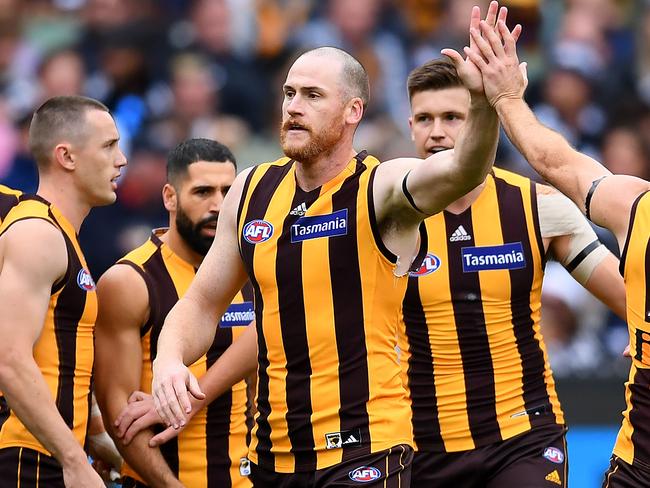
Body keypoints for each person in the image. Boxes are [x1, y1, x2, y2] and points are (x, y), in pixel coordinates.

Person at [150, 4, 517, 486]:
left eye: (312, 95)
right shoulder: (250, 189)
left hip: (366, 449)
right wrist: (169, 359)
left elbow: (462, 169)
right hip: (274, 455)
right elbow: (201, 302)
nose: (293, 106)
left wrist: (487, 101)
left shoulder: (380, 187)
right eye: (288, 93)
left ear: (352, 111)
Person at [399, 58, 626, 488]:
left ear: (483, 122)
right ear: (410, 126)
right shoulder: (387, 217)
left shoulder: (537, 207)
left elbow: (628, 295)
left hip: (523, 437)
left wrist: (642, 330)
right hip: (422, 444)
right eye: (425, 119)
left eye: (452, 117)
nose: (437, 132)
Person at [461, 9, 647, 487]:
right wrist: (504, 97)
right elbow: (556, 162)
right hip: (637, 464)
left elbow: (556, 162)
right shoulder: (636, 207)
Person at [94, 138, 254, 487]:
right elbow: (118, 414)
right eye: (202, 192)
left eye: (228, 192)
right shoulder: (131, 281)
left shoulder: (251, 271)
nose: (218, 205)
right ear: (169, 197)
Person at [0, 95, 127, 487]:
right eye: (108, 146)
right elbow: (8, 357)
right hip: (27, 457)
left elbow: (56, 354)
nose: (121, 160)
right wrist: (73, 460)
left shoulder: (60, 233)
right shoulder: (39, 233)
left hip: (48, 452)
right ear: (67, 157)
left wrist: (93, 434)